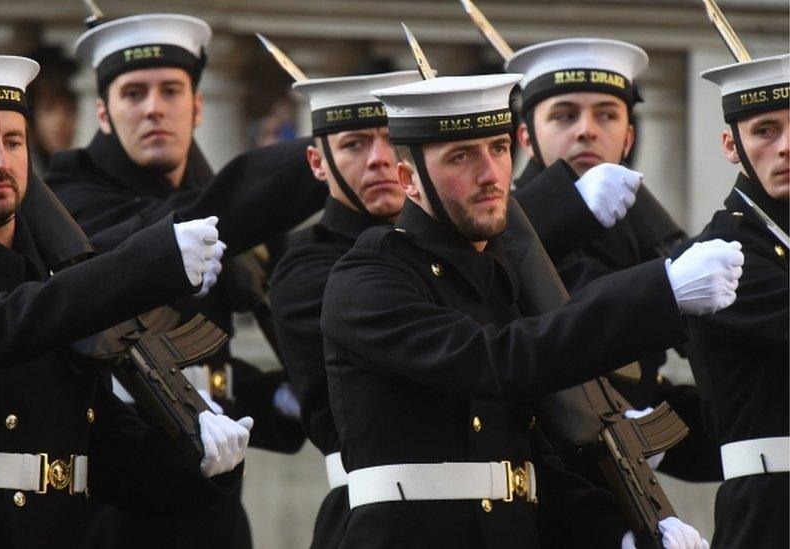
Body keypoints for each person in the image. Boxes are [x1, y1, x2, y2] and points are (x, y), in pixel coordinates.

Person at [0, 54, 251, 548]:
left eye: (13, 141)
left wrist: (203, 462)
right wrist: (144, 264)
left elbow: (105, 449)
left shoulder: (46, 280)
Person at [322, 73, 739, 548]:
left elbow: (535, 468)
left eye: (498, 149)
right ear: (408, 179)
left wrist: (624, 533)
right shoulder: (369, 277)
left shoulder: (497, 279)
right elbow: (496, 362)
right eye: (461, 156)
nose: (490, 174)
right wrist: (657, 291)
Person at [48, 14, 322, 548]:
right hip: (111, 505)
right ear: (103, 114)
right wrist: (322, 152)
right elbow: (174, 222)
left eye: (171, 90)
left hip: (211, 504)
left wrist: (280, 397)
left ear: (198, 107)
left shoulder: (219, 198)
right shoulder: (68, 198)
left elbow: (203, 363)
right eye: (133, 93)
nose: (153, 107)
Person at [505, 38, 718, 480]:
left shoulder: (643, 229)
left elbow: (648, 383)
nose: (586, 130)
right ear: (525, 136)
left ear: (629, 136)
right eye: (564, 115)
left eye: (606, 114)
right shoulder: (502, 227)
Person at [269, 69, 420, 549]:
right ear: (318, 162)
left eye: (394, 142)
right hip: (375, 523)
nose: (380, 160)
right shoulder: (308, 268)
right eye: (355, 145)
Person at [685, 52, 789, 548]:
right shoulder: (724, 253)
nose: (786, 147)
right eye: (766, 130)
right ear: (732, 145)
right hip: (773, 510)